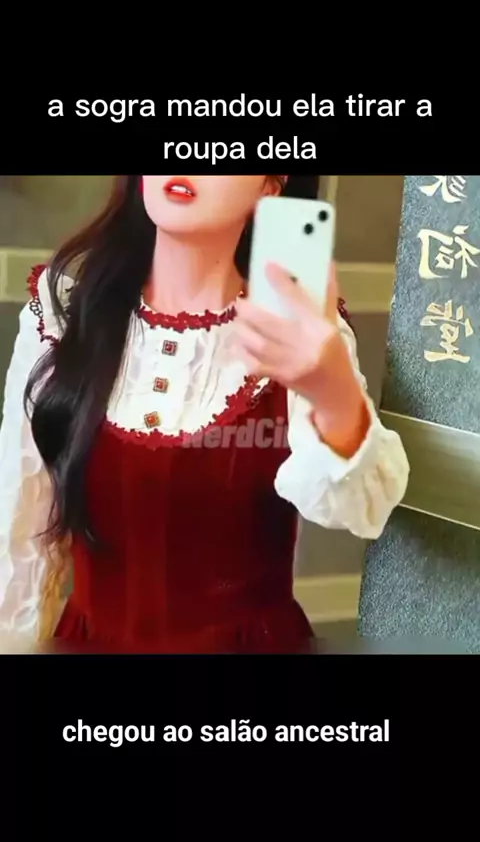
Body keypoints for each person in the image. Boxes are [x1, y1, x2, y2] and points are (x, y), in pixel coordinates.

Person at [0, 175, 409, 653]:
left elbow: (359, 508)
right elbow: (18, 536)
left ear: (271, 185)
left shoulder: (299, 333)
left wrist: (332, 391)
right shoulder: (64, 318)